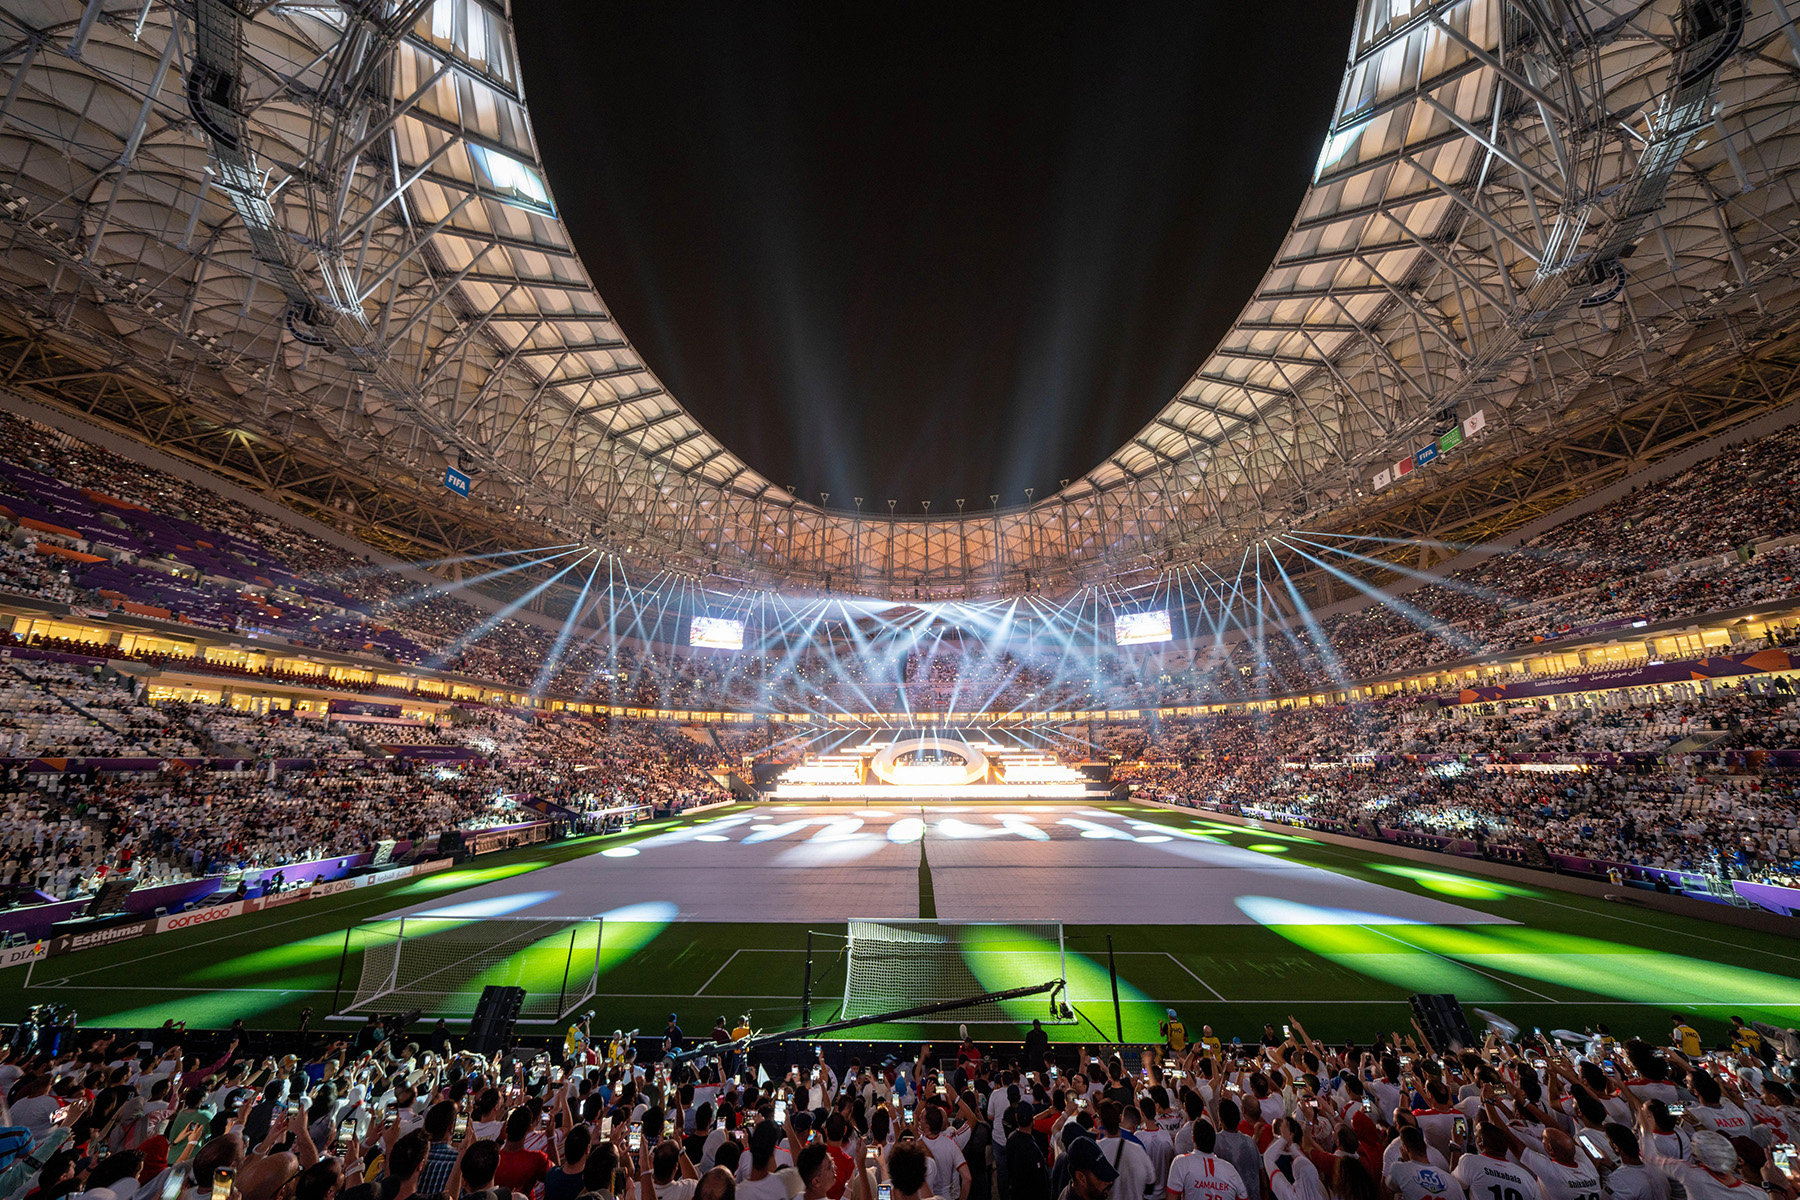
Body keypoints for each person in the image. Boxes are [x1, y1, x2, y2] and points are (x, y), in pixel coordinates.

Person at [1166, 1120, 1247, 1200]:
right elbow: (1243, 1196)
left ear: (1193, 1138)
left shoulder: (1181, 1163)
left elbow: (1171, 1197)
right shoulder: (1230, 1170)